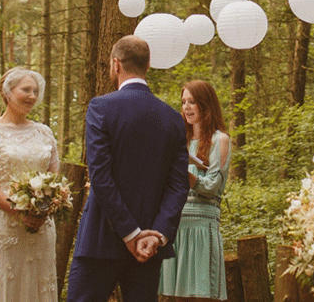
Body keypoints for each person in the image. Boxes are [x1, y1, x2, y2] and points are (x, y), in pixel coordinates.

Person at [67, 35, 190, 302]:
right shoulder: (172, 118)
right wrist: (156, 234)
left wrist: (129, 232)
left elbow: (100, 176)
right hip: (149, 247)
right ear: (147, 67)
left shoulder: (101, 107)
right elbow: (180, 185)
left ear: (116, 64)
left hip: (101, 239)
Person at [0, 67, 59, 302]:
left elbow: (54, 177)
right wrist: (17, 209)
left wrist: (43, 210)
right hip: (0, 225)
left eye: (35, 91)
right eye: (25, 90)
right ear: (7, 92)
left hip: (40, 226)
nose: (32, 96)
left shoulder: (45, 133)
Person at [159, 79, 231, 302]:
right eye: (183, 102)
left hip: (201, 229)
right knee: (171, 297)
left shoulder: (220, 139)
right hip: (176, 227)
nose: (186, 107)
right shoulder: (180, 140)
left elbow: (211, 187)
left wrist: (187, 175)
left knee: (201, 297)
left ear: (206, 104)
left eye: (192, 102)